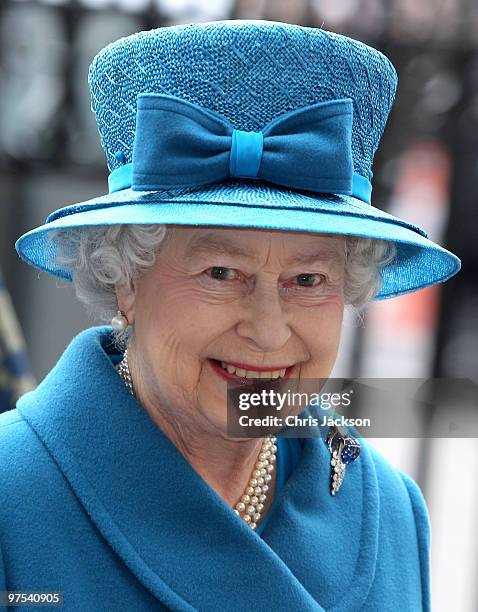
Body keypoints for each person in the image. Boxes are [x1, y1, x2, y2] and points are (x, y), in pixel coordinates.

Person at [0, 19, 460, 611]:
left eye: (308, 280)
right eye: (221, 273)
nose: (268, 331)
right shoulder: (14, 499)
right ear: (126, 282)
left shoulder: (392, 511)